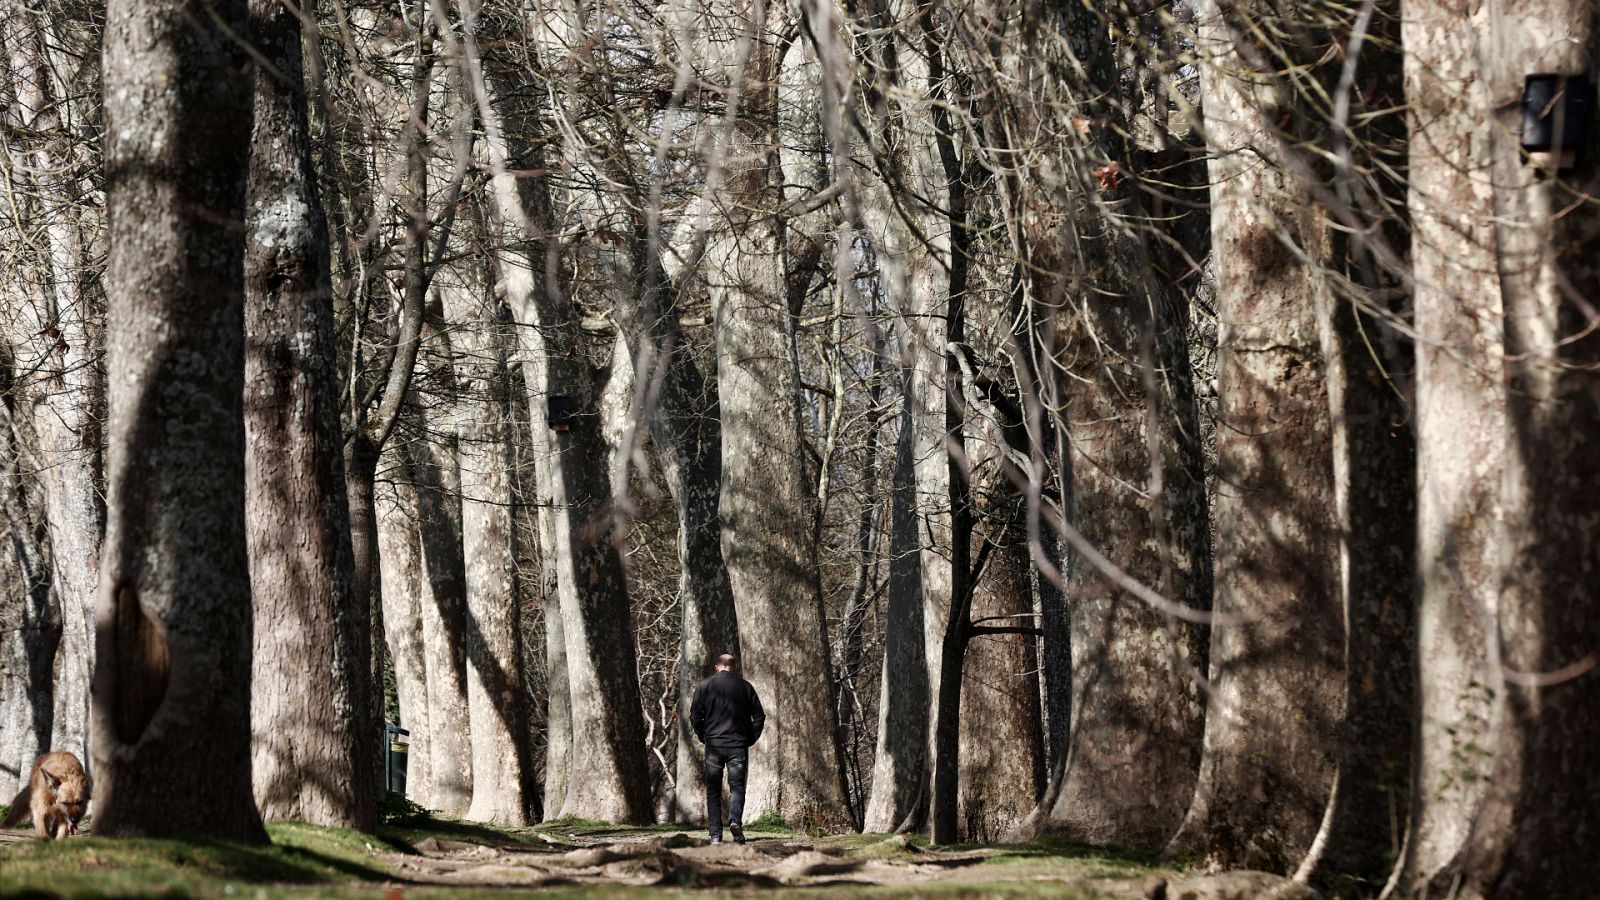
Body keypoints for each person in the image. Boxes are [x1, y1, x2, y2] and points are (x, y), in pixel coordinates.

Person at [689, 653, 765, 844]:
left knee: (713, 789)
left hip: (713, 744)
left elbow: (695, 716)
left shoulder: (705, 686)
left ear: (717, 667)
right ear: (734, 667)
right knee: (737, 787)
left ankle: (715, 834)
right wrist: (750, 739)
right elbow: (759, 716)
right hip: (738, 745)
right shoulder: (745, 687)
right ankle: (735, 821)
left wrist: (702, 735)